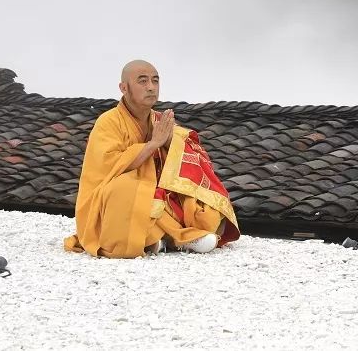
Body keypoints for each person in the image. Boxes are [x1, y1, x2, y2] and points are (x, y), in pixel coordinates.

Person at [64, 60, 240, 258]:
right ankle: (178, 238)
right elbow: (108, 166)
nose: (150, 87)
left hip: (156, 192)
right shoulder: (108, 121)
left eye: (155, 81)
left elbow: (189, 152)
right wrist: (153, 144)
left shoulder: (159, 120)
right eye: (142, 81)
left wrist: (169, 143)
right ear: (124, 88)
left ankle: (162, 240)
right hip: (112, 198)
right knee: (125, 189)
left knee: (196, 198)